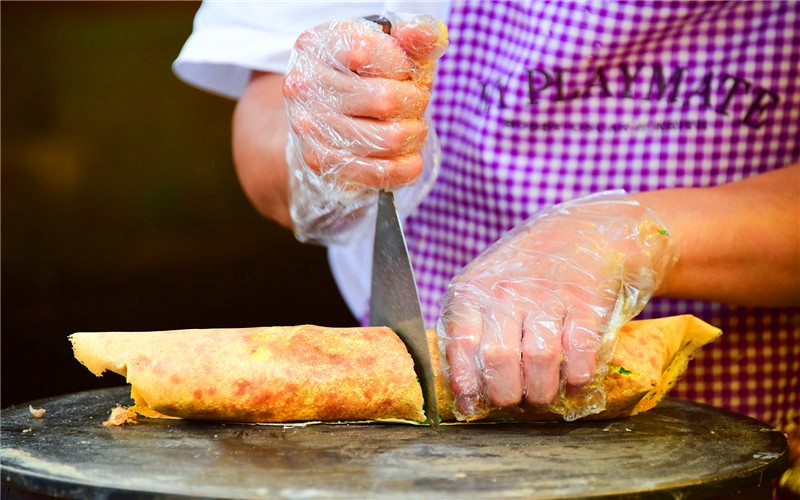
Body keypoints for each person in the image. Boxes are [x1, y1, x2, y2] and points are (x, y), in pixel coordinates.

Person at [174, 1, 799, 431]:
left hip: (763, 414)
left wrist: (634, 239)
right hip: (428, 422)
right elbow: (264, 115)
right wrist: (322, 149)